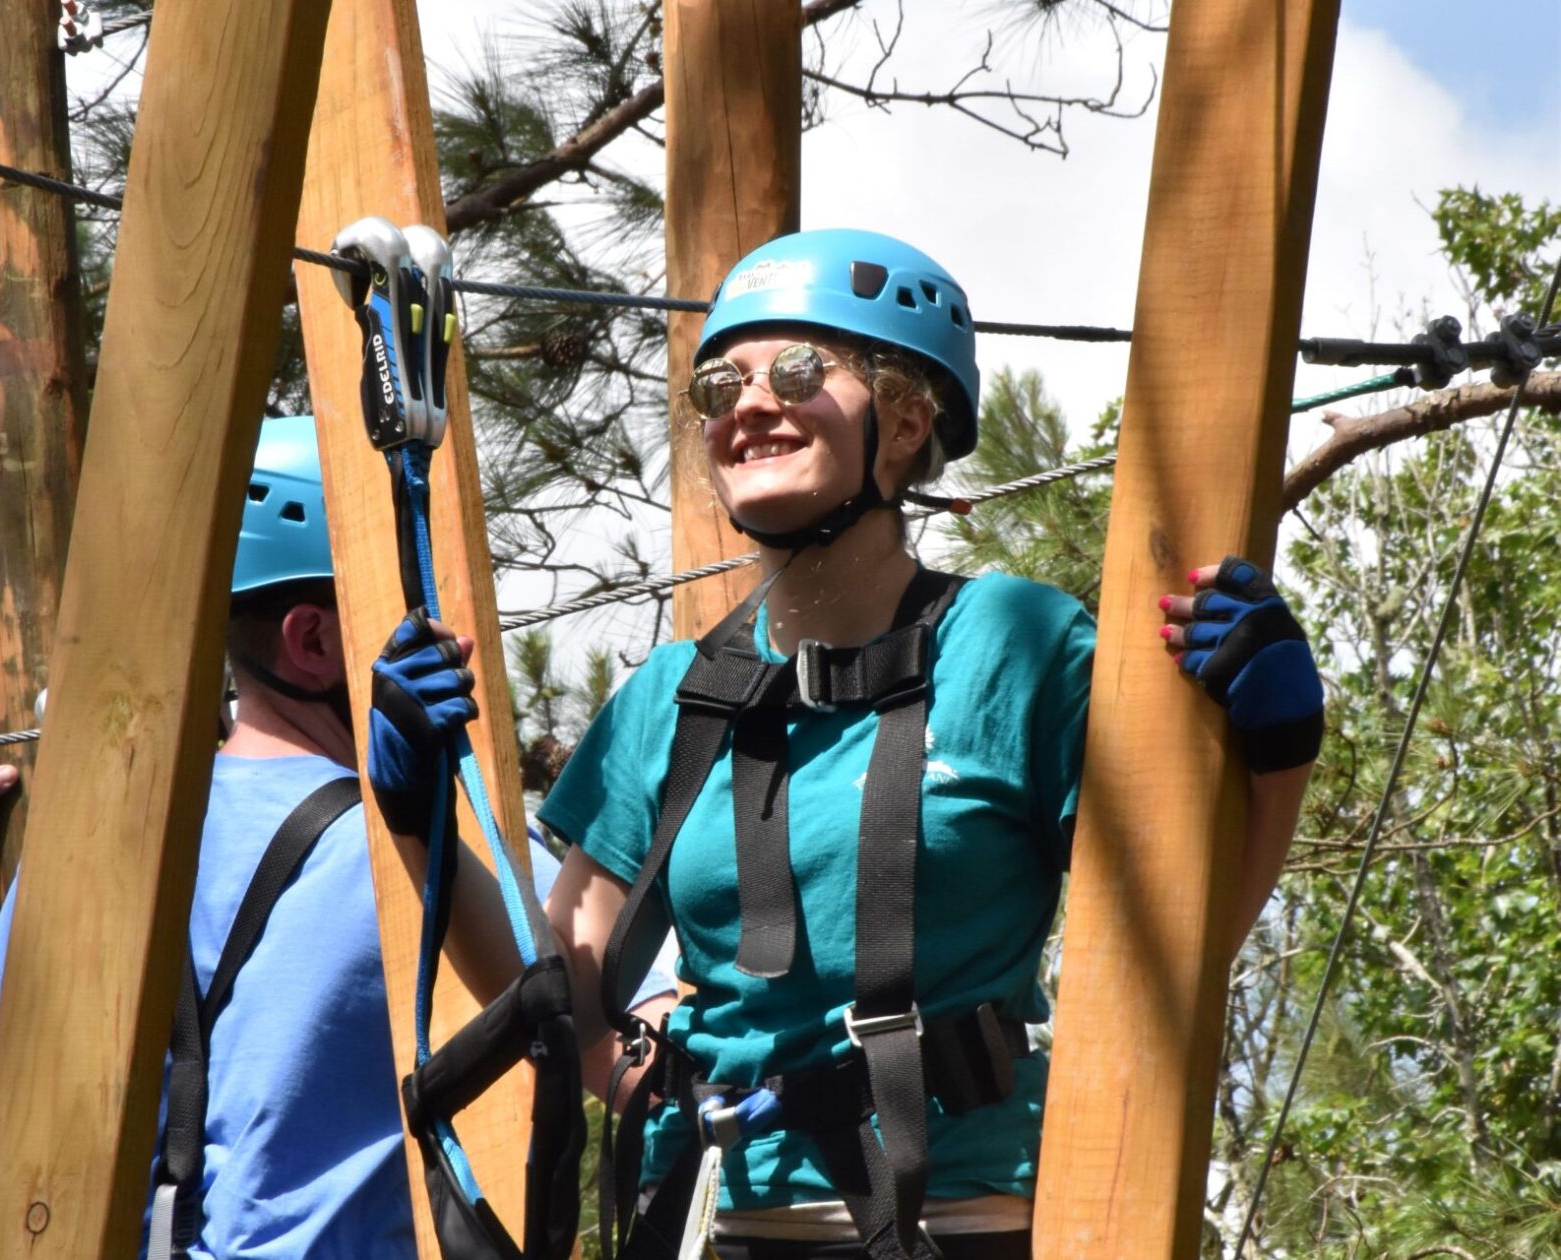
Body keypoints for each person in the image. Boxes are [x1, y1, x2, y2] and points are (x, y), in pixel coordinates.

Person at [537, 229, 1324, 1260]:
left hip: (963, 1218)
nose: (750, 405)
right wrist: (417, 821)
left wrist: (1280, 755)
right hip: (715, 1222)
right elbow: (565, 987)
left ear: (908, 421)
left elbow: (1178, 940)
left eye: (801, 372)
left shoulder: (1015, 645)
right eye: (720, 386)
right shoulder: (672, 699)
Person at [0, 415, 676, 1254]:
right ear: (314, 641)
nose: (457, 642)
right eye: (414, 612)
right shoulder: (433, 846)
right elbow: (648, 1081)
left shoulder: (97, 860)